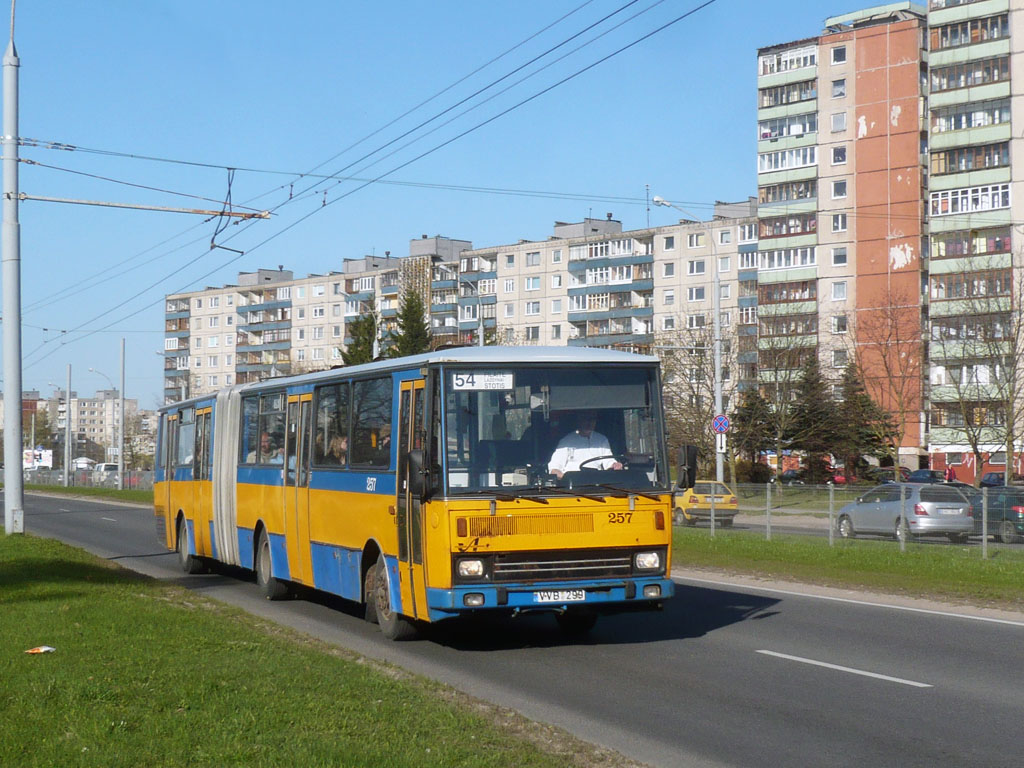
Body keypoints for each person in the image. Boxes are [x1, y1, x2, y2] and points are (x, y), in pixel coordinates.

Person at [547, 410, 622, 478]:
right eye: (586, 419)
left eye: (593, 419)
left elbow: (608, 461)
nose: (589, 423)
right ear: (579, 420)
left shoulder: (602, 439)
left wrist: (614, 465)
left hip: (597, 482)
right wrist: (566, 479)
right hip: (573, 484)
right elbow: (554, 468)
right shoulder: (566, 442)